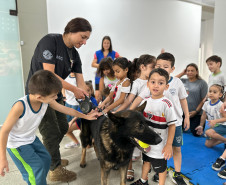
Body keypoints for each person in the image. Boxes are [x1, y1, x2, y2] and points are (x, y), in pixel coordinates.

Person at [0, 70, 98, 185]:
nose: (56, 97)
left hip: (31, 138)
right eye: (53, 95)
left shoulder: (46, 101)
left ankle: (38, 180)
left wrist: (86, 116)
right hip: (17, 144)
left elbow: (67, 110)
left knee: (46, 158)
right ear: (39, 97)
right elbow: (4, 131)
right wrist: (2, 158)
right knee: (37, 168)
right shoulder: (20, 106)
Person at [24, 17, 92, 182]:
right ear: (71, 30)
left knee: (62, 127)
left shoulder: (74, 55)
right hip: (39, 95)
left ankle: (50, 156)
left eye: (87, 39)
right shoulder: (50, 41)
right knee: (50, 131)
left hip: (55, 94)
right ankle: (54, 169)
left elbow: (81, 82)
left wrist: (88, 97)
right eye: (82, 37)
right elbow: (49, 74)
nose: (84, 42)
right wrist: (75, 89)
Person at [130, 52, 190, 185]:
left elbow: (183, 99)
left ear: (172, 69)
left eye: (166, 66)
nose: (162, 68)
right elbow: (140, 99)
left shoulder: (176, 82)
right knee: (157, 148)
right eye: (158, 65)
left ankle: (177, 174)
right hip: (157, 124)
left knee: (175, 148)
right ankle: (158, 171)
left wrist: (187, 117)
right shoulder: (153, 84)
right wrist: (129, 112)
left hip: (176, 122)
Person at [115, 54, 156, 181]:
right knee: (131, 144)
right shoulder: (137, 83)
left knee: (148, 142)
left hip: (151, 116)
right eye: (153, 67)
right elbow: (129, 101)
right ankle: (129, 168)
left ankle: (148, 164)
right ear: (143, 67)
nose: (155, 69)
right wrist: (121, 114)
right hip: (138, 117)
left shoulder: (154, 80)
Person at [131, 68, 176, 185]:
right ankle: (143, 180)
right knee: (145, 162)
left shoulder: (167, 104)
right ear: (148, 84)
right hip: (146, 143)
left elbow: (172, 125)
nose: (156, 85)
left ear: (166, 87)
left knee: (160, 169)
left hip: (160, 146)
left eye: (160, 83)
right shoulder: (145, 101)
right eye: (153, 82)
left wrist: (169, 145)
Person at [64, 80, 98, 149]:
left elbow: (93, 112)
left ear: (92, 90)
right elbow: (79, 113)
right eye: (84, 91)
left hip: (91, 124)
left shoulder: (93, 100)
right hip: (80, 122)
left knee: (88, 146)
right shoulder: (81, 101)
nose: (87, 93)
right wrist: (71, 121)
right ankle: (76, 142)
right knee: (65, 130)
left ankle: (91, 140)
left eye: (88, 90)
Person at [176, 63, 208, 136]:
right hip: (183, 112)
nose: (190, 72)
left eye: (192, 71)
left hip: (196, 112)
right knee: (177, 130)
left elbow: (203, 99)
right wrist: (182, 73)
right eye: (188, 70)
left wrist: (196, 111)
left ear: (196, 72)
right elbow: (170, 80)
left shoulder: (202, 83)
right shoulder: (183, 81)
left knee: (196, 133)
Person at [91, 36, 120, 102]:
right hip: (100, 76)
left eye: (108, 43)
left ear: (110, 44)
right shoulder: (97, 53)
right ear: (102, 44)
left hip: (111, 75)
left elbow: (121, 60)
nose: (106, 45)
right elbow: (93, 64)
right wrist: (103, 66)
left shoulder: (114, 53)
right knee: (98, 95)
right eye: (105, 43)